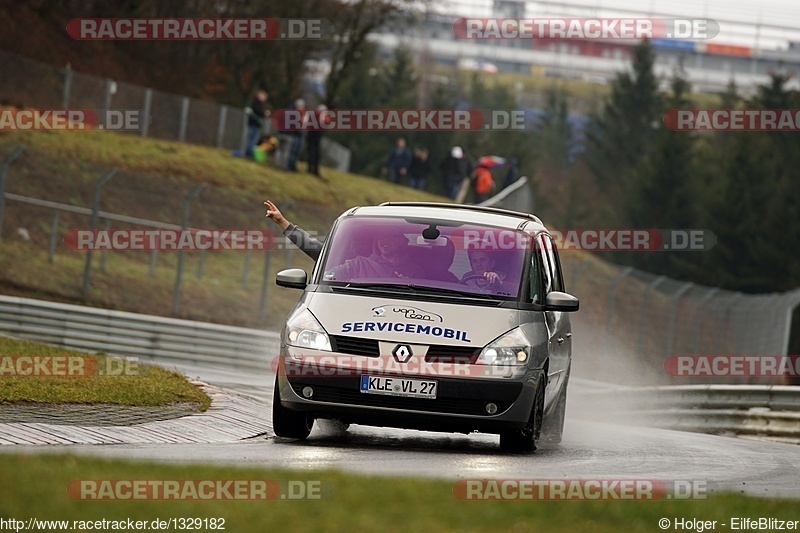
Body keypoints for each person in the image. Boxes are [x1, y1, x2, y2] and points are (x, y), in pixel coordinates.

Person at [245, 90, 270, 158]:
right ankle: (249, 153)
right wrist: (264, 113)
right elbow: (258, 111)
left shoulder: (258, 104)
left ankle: (249, 153)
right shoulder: (255, 103)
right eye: (264, 97)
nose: (265, 98)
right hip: (253, 124)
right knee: (252, 139)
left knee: (252, 139)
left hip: (256, 124)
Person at [306, 105, 328, 178]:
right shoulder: (319, 116)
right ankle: (313, 169)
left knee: (312, 153)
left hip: (312, 135)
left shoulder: (314, 114)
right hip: (315, 136)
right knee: (314, 153)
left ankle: (311, 168)